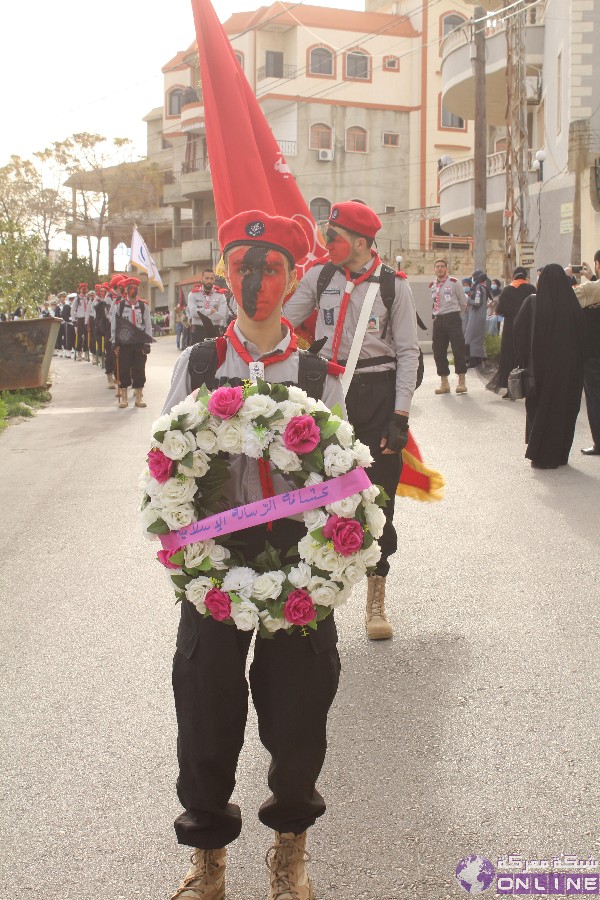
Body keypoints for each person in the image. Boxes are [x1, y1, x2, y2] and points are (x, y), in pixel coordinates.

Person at [163, 210, 344, 900]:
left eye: (271, 268)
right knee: (204, 707)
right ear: (224, 272)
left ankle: (290, 851)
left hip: (296, 559)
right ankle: (207, 859)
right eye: (243, 265)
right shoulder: (200, 363)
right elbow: (164, 465)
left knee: (298, 709)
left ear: (293, 277)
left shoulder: (316, 373)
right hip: (215, 558)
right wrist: (184, 546)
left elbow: (340, 478)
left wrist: (333, 556)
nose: (256, 280)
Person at [285, 200, 420, 640]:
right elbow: (285, 322)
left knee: (378, 498)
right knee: (317, 493)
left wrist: (399, 416)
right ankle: (315, 596)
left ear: (361, 242)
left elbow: (407, 353)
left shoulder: (393, 287)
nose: (328, 245)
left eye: (335, 238)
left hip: (377, 396)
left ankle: (376, 597)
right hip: (326, 392)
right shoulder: (320, 276)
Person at [513, 263, 586, 469]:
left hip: (538, 372)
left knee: (540, 410)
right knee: (564, 410)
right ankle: (560, 454)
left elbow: (518, 335)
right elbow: (584, 341)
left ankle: (541, 453)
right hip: (569, 374)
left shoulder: (533, 303)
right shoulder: (573, 308)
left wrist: (524, 360)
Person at [486, 267, 535, 398]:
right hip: (526, 328)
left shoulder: (507, 290)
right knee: (525, 356)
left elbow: (500, 310)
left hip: (510, 329)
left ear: (513, 276)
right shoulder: (531, 289)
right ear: (525, 277)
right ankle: (528, 387)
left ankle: (510, 389)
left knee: (508, 356)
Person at [569, 252, 600, 455]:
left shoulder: (590, 289)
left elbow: (564, 300)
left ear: (598, 264)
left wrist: (566, 275)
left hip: (593, 354)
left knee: (595, 398)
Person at [111, 276, 153, 408]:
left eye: (135, 288)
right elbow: (114, 325)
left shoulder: (143, 305)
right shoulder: (120, 306)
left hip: (139, 341)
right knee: (123, 369)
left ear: (138, 289)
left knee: (139, 369)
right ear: (126, 290)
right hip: (124, 342)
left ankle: (139, 397)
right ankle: (124, 398)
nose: (132, 291)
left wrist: (147, 342)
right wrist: (114, 342)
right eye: (130, 288)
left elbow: (148, 324)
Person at [429, 257, 468, 395]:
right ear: (434, 269)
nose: (439, 268)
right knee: (438, 351)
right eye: (437, 266)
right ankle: (444, 383)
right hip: (438, 320)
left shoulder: (454, 282)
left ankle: (461, 382)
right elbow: (434, 303)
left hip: (453, 318)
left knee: (458, 349)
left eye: (442, 266)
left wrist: (455, 315)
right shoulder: (432, 285)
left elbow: (463, 302)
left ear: (446, 269)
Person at [187, 269, 227, 343]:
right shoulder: (193, 295)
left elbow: (221, 315)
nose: (209, 281)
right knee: (197, 354)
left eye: (211, 278)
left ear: (214, 279)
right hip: (198, 331)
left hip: (214, 331)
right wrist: (210, 311)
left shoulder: (220, 296)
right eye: (207, 278)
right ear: (202, 279)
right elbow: (193, 313)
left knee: (215, 354)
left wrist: (201, 315)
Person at [464, 270, 490, 368]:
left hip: (475, 317)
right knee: (477, 339)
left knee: (469, 338)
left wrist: (467, 299)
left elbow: (477, 302)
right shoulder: (483, 287)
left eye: (473, 277)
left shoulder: (478, 288)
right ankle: (482, 359)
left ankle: (471, 361)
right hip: (479, 316)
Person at [71, 283, 89, 360]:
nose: (84, 289)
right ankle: (79, 352)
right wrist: (73, 320)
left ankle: (86, 352)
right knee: (79, 336)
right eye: (82, 288)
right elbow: (72, 310)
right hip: (80, 318)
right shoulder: (77, 298)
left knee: (87, 336)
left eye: (85, 288)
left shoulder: (88, 298)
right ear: (80, 289)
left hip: (87, 319)